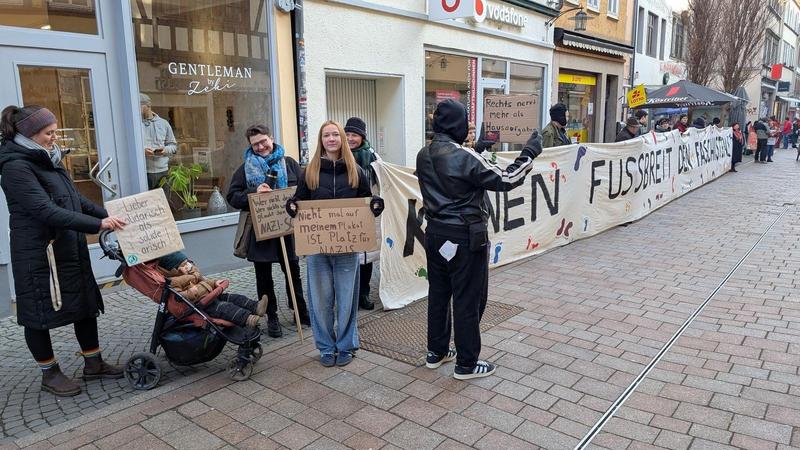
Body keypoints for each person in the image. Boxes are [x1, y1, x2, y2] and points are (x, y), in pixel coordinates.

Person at [0, 105, 127, 396]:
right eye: (49, 133)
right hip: (37, 253)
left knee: (84, 304)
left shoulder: (48, 160)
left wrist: (113, 216)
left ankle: (93, 363)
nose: (55, 137)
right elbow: (45, 210)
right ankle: (50, 373)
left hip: (67, 246)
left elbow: (75, 200)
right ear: (29, 135)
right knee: (37, 313)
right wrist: (98, 224)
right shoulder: (16, 167)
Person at [416, 99, 540, 380]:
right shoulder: (464, 157)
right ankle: (467, 363)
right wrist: (530, 152)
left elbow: (452, 169)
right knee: (468, 299)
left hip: (435, 233)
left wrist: (479, 149)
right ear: (458, 125)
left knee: (438, 294)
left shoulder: (424, 153)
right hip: (465, 235)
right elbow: (507, 179)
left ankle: (436, 352)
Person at [285, 120, 383, 367]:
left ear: (342, 140)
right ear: (321, 140)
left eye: (335, 135)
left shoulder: (356, 172)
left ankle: (346, 345)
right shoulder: (309, 172)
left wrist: (375, 205)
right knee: (320, 301)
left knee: (347, 300)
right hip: (317, 249)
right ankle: (326, 347)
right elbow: (299, 202)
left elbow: (366, 203)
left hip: (347, 249)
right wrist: (292, 206)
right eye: (326, 135)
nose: (331, 139)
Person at [227, 124, 310, 338]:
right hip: (261, 232)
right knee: (263, 277)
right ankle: (271, 316)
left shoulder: (289, 163)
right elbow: (233, 197)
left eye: (264, 141)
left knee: (293, 271)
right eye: (256, 144)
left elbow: (304, 190)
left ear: (271, 138)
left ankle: (299, 310)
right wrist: (254, 192)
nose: (261, 146)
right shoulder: (245, 168)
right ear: (251, 146)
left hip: (287, 230)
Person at [157, 251, 268, 328]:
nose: (189, 266)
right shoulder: (174, 282)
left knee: (233, 297)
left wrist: (214, 283)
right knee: (225, 308)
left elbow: (203, 281)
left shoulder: (192, 273)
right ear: (174, 270)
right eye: (185, 265)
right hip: (200, 304)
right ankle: (248, 319)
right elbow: (178, 297)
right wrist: (189, 293)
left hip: (209, 295)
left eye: (188, 263)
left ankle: (256, 306)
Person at [344, 116, 381, 310]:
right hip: (342, 216)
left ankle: (363, 294)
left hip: (365, 213)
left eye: (354, 135)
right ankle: (347, 295)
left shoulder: (372, 157)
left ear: (362, 137)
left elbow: (384, 181)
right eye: (347, 134)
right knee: (346, 257)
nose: (350, 138)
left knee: (365, 258)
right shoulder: (337, 155)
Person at [140, 93, 177, 189]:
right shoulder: (135, 125)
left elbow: (173, 146)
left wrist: (165, 150)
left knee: (163, 202)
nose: (137, 109)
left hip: (163, 172)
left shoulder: (164, 123)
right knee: (146, 202)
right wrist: (142, 151)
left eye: (139, 106)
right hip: (143, 172)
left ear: (148, 106)